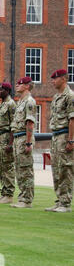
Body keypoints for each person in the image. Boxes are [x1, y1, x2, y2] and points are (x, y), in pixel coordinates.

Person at [45, 69, 73, 213]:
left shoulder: (70, 96)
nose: (52, 81)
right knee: (56, 169)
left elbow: (72, 119)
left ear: (63, 79)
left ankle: (66, 202)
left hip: (64, 135)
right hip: (55, 136)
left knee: (65, 169)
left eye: (55, 78)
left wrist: (71, 140)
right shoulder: (57, 97)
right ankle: (59, 200)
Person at [10, 76, 37, 208]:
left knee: (26, 170)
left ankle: (27, 199)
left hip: (23, 138)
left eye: (20, 84)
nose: (17, 86)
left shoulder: (29, 102)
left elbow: (30, 123)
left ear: (27, 86)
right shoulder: (20, 102)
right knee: (19, 169)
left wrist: (28, 142)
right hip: (17, 138)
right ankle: (22, 197)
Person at [0, 82, 16, 204]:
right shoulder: (2, 104)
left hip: (7, 136)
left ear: (7, 91)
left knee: (8, 167)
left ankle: (9, 194)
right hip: (0, 136)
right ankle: (4, 192)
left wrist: (11, 143)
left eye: (1, 90)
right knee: (1, 166)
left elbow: (13, 124)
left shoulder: (11, 104)